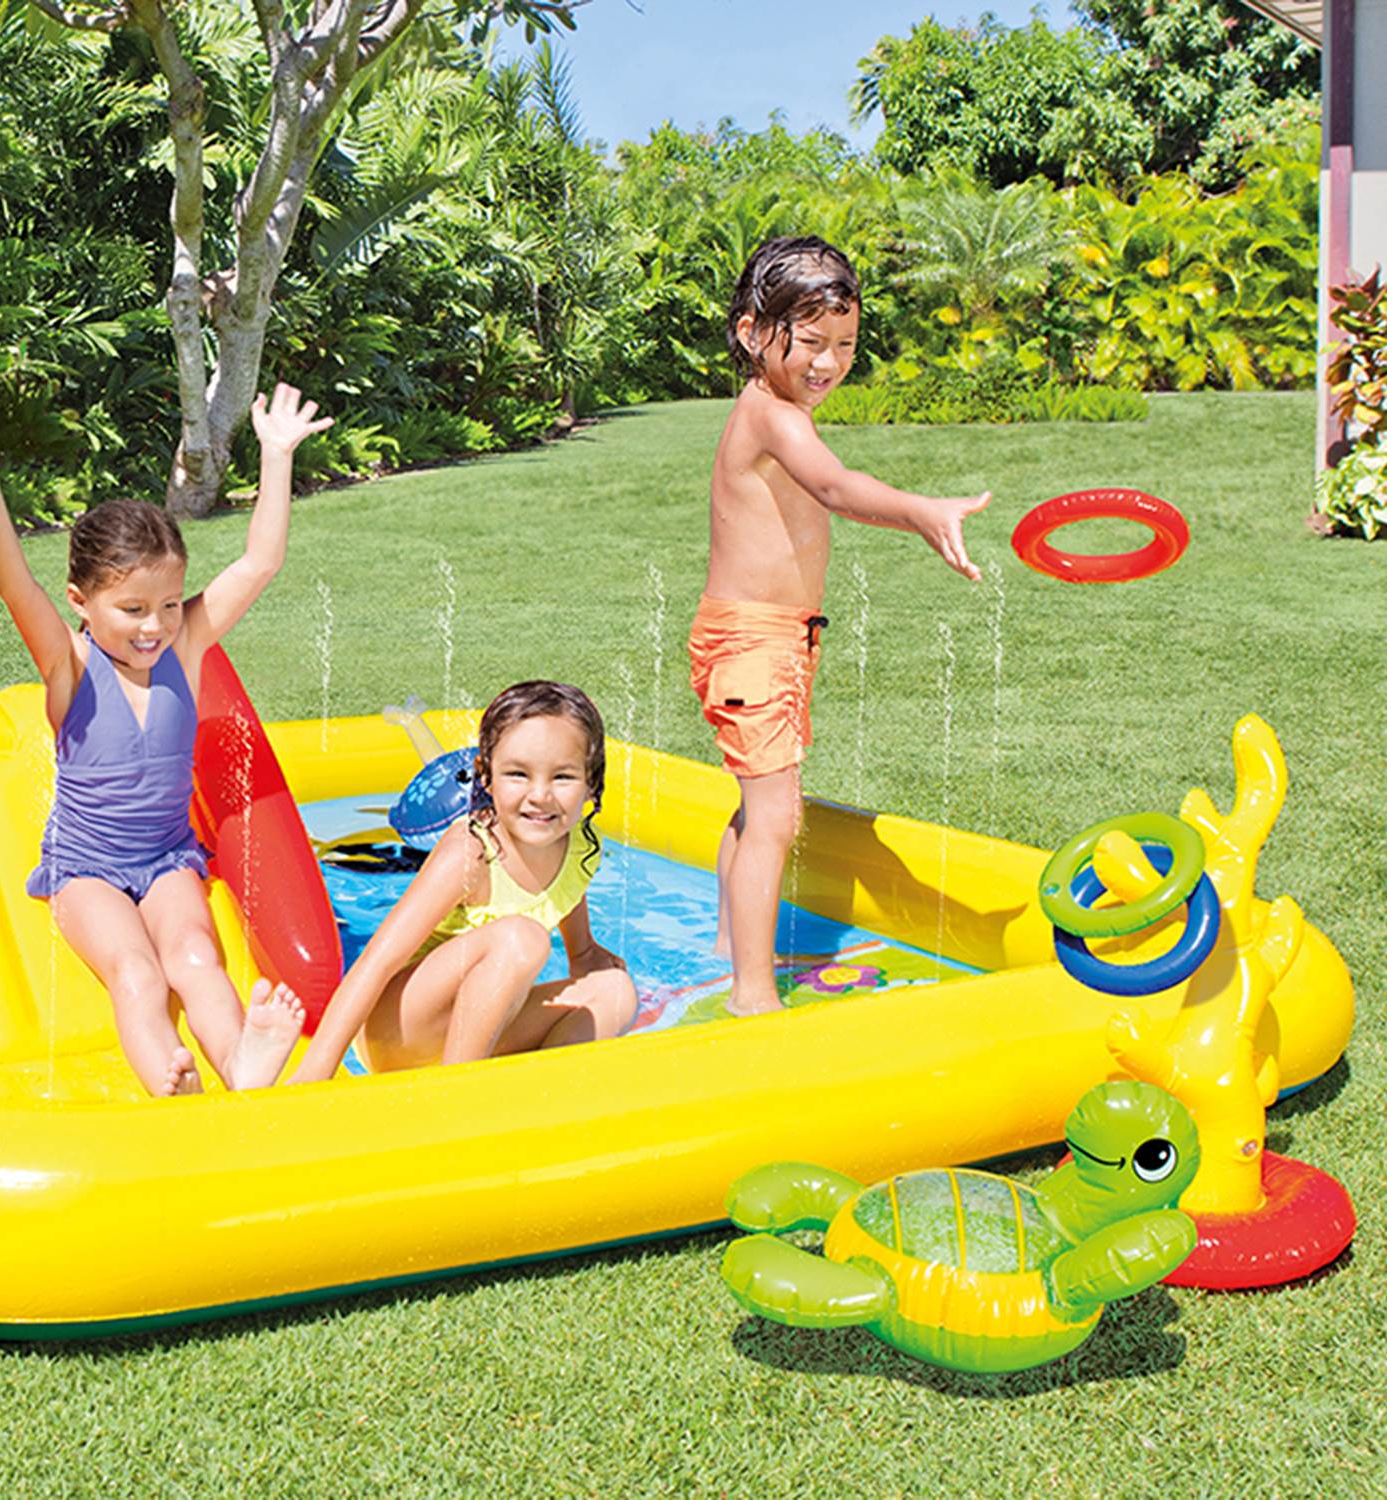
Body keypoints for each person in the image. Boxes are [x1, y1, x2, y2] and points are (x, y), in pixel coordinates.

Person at [0, 383, 333, 1095]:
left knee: (195, 957)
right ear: (81, 602)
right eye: (132, 609)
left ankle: (242, 1063)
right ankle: (170, 1077)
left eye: (167, 604)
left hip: (167, 860)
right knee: (135, 972)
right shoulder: (69, 664)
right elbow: (16, 588)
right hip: (85, 871)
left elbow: (259, 563)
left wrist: (277, 454)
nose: (154, 625)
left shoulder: (186, 649)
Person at [691, 235, 988, 1017]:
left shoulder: (774, 410)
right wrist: (922, 512)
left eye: (846, 345)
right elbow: (835, 486)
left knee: (755, 808)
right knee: (776, 817)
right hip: (754, 643)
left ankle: (726, 945)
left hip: (770, 639)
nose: (830, 362)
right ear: (753, 333)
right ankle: (753, 995)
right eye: (813, 342)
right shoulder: (773, 418)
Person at [289, 680, 637, 1081]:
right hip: (398, 1032)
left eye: (562, 777)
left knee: (616, 993)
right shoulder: (470, 853)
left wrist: (594, 960)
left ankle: (538, 1096)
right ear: (485, 777)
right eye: (518, 774)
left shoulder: (579, 846)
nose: (540, 795)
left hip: (475, 1030)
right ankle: (456, 1093)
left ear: (591, 782)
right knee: (522, 939)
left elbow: (580, 949)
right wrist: (315, 1072)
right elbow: (376, 962)